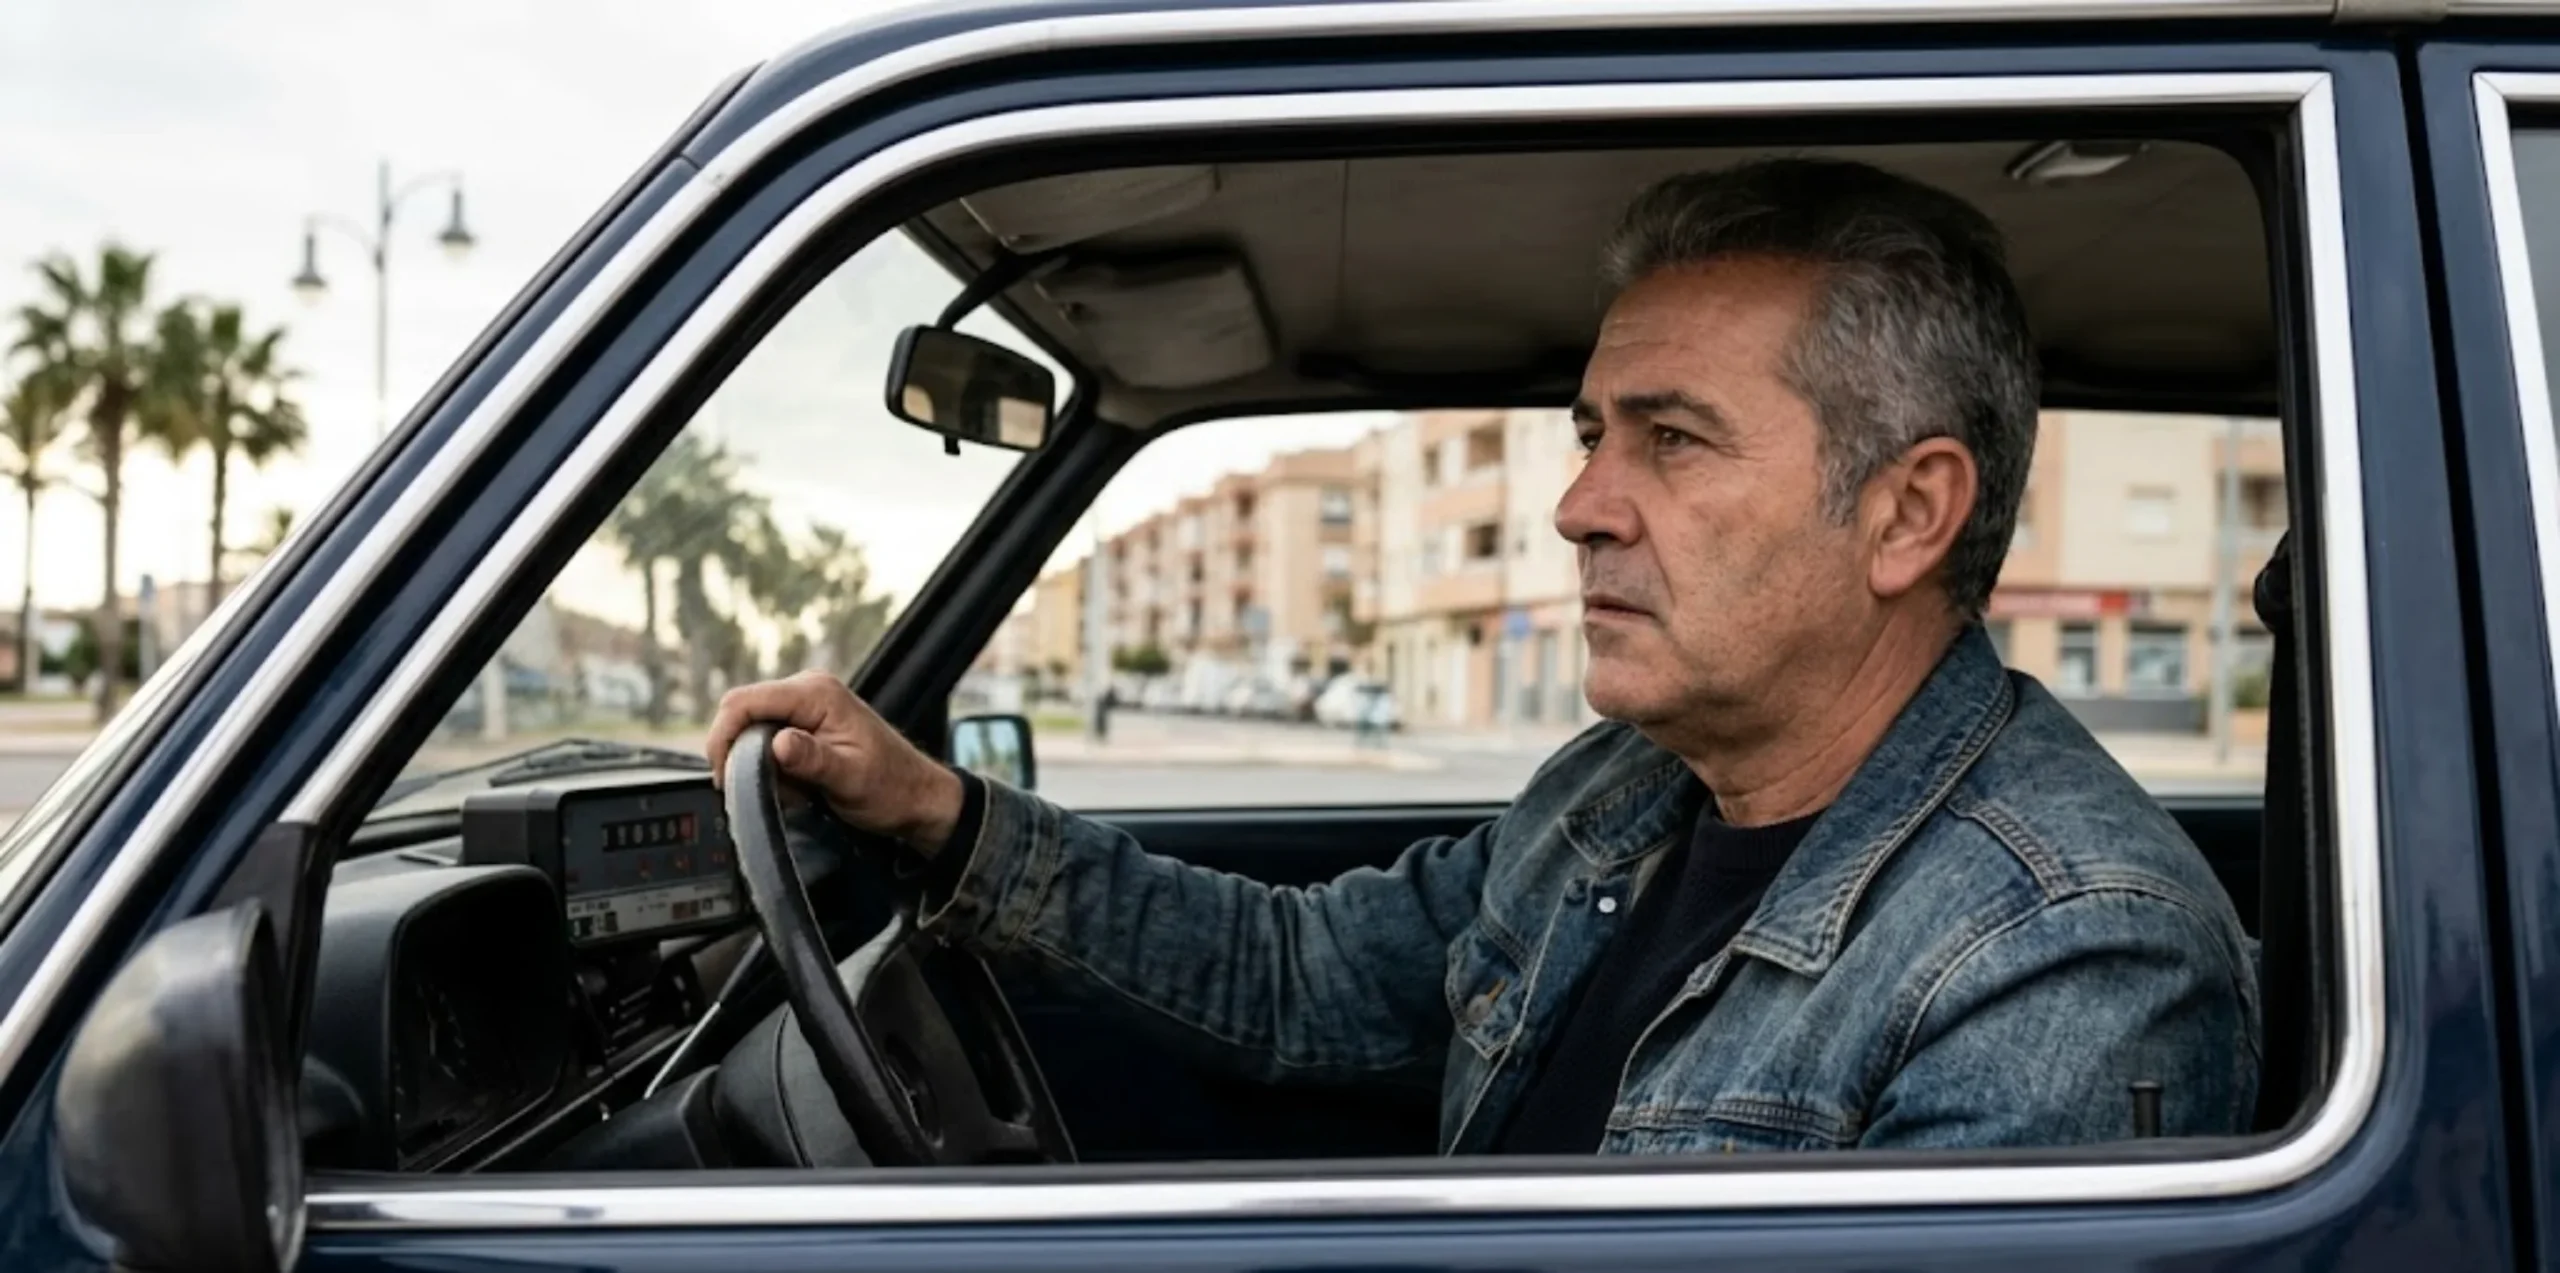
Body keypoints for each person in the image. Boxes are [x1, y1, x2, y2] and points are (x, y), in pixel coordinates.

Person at [708, 158, 2260, 1156]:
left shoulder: (2068, 959)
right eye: (1594, 436)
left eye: (1673, 439)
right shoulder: (1624, 795)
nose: (1581, 507)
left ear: (1908, 513)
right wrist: (940, 817)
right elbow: (1297, 981)